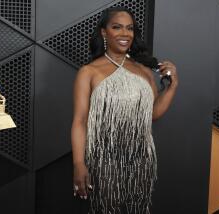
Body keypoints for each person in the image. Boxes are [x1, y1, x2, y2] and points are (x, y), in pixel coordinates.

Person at [71, 6, 178, 214]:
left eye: (129, 28)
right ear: (104, 32)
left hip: (141, 160)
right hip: (104, 162)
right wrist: (78, 163)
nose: (124, 33)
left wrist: (173, 86)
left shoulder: (145, 71)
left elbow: (153, 114)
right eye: (117, 27)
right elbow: (80, 121)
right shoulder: (89, 72)